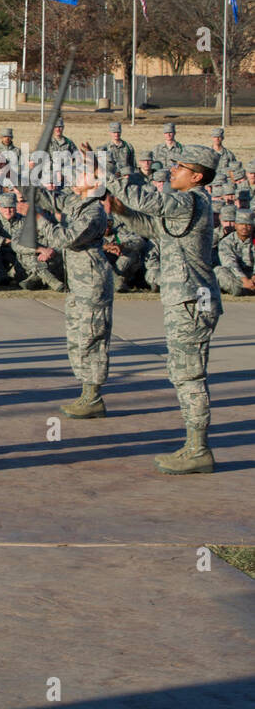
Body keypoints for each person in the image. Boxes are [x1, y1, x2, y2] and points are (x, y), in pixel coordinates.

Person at [106, 145, 222, 474]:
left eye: (180, 167)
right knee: (184, 372)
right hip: (189, 298)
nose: (173, 171)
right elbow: (155, 226)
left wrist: (113, 177)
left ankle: (199, 449)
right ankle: (194, 444)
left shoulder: (189, 200)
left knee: (189, 375)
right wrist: (122, 211)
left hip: (191, 300)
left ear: (196, 176)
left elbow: (151, 202)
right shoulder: (189, 205)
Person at [35, 159, 114, 419]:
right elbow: (49, 198)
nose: (75, 176)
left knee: (92, 337)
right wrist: (15, 176)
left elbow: (65, 238)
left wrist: (38, 220)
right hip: (78, 285)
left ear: (94, 183)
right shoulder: (75, 202)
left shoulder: (94, 212)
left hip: (92, 284)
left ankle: (94, 396)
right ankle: (85, 392)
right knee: (77, 338)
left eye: (82, 174)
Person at [215, 209, 254, 296]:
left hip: (252, 276)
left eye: (248, 224)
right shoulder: (226, 242)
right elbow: (230, 263)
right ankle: (243, 290)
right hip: (237, 277)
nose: (244, 227)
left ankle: (246, 290)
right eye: (241, 224)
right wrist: (244, 280)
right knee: (219, 271)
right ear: (235, 225)